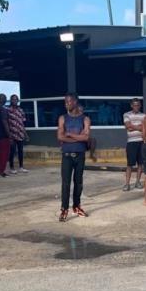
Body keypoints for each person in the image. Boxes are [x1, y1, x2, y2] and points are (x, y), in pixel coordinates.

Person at [57, 92, 90, 222]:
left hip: (80, 155)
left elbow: (86, 137)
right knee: (65, 183)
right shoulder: (62, 118)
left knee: (78, 183)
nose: (66, 104)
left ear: (75, 102)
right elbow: (60, 137)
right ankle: (64, 209)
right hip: (66, 156)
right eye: (65, 102)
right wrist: (78, 139)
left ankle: (76, 207)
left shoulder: (85, 119)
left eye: (69, 101)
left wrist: (69, 134)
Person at [122, 98, 145, 191]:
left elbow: (144, 128)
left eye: (138, 105)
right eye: (135, 105)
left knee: (140, 163)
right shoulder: (126, 114)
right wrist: (139, 127)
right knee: (130, 164)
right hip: (131, 142)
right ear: (131, 105)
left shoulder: (144, 115)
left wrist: (133, 127)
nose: (137, 107)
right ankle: (127, 184)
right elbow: (128, 127)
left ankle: (138, 182)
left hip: (141, 141)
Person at [6, 94, 28, 174]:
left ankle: (21, 167)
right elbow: (6, 123)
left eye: (16, 99)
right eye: (13, 99)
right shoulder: (8, 110)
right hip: (12, 134)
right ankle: (11, 168)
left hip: (20, 133)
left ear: (18, 100)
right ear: (11, 100)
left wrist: (25, 134)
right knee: (12, 151)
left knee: (20, 151)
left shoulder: (21, 110)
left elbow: (23, 123)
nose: (14, 101)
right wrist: (8, 135)